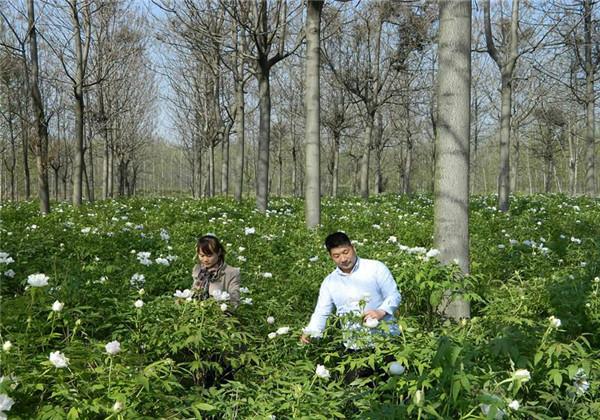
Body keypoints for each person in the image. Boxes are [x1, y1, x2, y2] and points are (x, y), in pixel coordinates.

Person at [300, 232, 401, 349]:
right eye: (336, 256)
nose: (343, 259)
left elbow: (394, 295)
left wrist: (380, 312)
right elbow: (322, 312)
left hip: (386, 340)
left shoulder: (376, 268)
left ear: (353, 248)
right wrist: (311, 331)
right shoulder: (329, 282)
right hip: (355, 345)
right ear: (330, 256)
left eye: (345, 252)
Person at [191, 234, 241, 309]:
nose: (205, 260)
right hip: (196, 311)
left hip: (219, 315)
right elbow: (193, 291)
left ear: (219, 252)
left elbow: (234, 300)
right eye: (202, 255)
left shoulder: (231, 273)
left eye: (209, 255)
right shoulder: (198, 270)